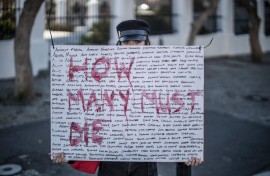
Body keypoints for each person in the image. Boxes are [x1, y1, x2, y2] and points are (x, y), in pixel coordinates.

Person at [51, 19, 202, 176]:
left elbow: (174, 112)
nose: (132, 46)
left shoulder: (163, 73)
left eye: (137, 41)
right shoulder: (103, 73)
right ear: (119, 43)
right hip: (111, 159)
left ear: (146, 43)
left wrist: (187, 150)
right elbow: (86, 110)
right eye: (127, 42)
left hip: (145, 162)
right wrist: (68, 151)